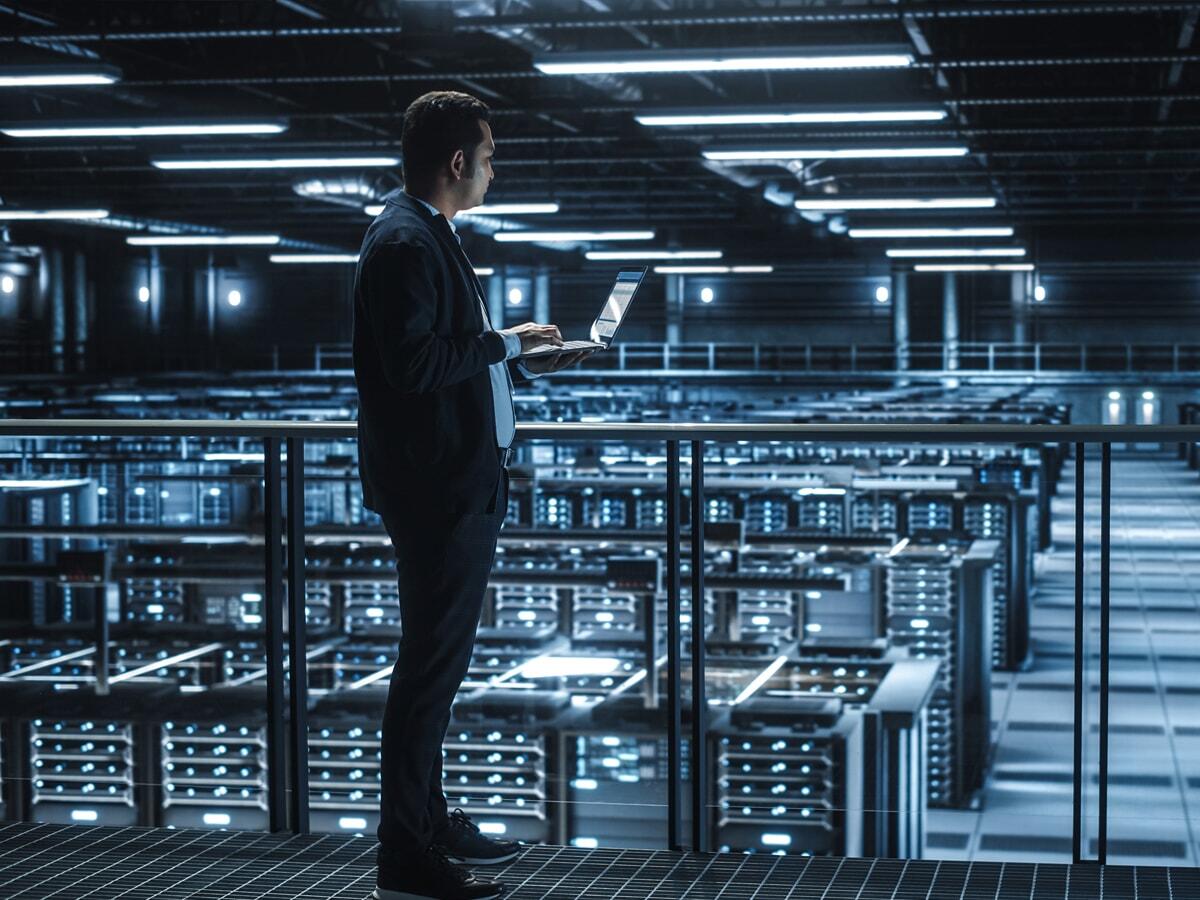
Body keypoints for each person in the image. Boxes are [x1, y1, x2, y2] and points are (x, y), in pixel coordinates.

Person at [353, 90, 593, 900]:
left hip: (452, 480)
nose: (494, 171)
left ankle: (429, 819)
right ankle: (406, 851)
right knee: (428, 670)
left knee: (439, 668)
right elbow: (413, 366)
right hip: (435, 488)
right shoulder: (402, 242)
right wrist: (501, 343)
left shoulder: (430, 236)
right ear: (459, 162)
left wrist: (519, 360)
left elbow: (445, 358)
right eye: (489, 157)